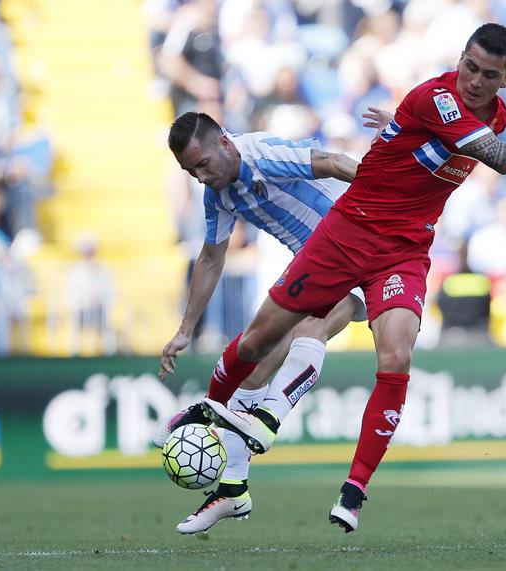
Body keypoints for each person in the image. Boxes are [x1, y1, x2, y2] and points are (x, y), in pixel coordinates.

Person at [183, 22, 506, 534]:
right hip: (347, 232)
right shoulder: (434, 97)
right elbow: (500, 161)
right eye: (469, 67)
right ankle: (215, 414)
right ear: (459, 58)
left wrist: (401, 130)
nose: (475, 81)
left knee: (395, 354)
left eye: (488, 75)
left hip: (405, 250)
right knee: (261, 340)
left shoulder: (495, 114)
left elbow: (442, 148)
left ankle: (351, 489)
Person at [155, 110, 367, 534]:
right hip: (313, 267)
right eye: (190, 170)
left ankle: (268, 422)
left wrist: (387, 197)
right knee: (250, 368)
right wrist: (184, 330)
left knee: (312, 329)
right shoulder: (217, 194)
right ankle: (233, 490)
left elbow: (330, 161)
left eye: (202, 164)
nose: (200, 176)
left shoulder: (262, 154)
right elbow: (212, 258)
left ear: (225, 144)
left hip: (362, 246)